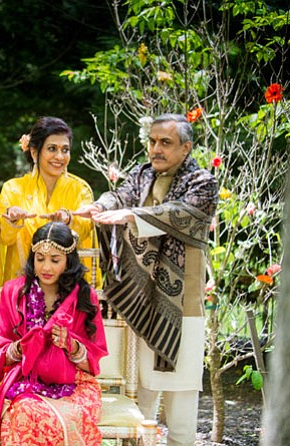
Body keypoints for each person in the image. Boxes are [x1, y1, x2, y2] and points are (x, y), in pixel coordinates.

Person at [76, 113, 219, 446]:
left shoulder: (202, 182)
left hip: (182, 311)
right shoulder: (141, 174)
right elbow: (119, 196)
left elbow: (182, 214)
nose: (156, 149)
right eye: (153, 141)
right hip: (138, 304)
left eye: (165, 143)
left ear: (186, 147)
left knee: (182, 419)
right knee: (140, 410)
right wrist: (99, 205)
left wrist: (132, 215)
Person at [0, 222, 107, 446]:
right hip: (25, 381)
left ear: (68, 261)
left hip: (75, 385)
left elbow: (93, 362)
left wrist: (71, 346)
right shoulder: (14, 292)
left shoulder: (83, 296)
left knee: (50, 414)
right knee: (23, 410)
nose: (46, 267)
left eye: (55, 259)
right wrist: (22, 347)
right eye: (40, 258)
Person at [0, 116, 100, 312]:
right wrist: (13, 220)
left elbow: (86, 230)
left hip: (68, 292)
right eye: (52, 149)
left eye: (65, 150)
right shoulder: (13, 189)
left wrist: (69, 219)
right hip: (23, 292)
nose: (60, 156)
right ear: (34, 152)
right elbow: (3, 238)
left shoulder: (80, 189)